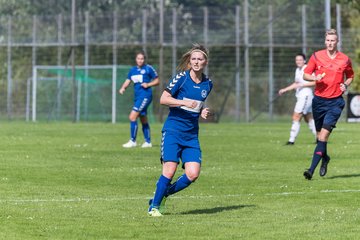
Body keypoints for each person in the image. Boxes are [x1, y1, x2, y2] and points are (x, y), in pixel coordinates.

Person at [148, 44, 213, 217]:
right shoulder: (182, 78)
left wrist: (202, 111)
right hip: (173, 131)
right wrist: (183, 102)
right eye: (194, 59)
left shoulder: (208, 83)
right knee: (169, 170)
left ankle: (163, 194)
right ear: (189, 62)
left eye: (200, 59)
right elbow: (163, 98)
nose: (196, 62)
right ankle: (154, 207)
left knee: (193, 174)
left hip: (191, 135)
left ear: (205, 62)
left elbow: (196, 106)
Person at [302, 29, 354, 180]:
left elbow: (350, 75)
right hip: (318, 102)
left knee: (323, 136)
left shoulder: (344, 59)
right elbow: (305, 74)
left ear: (337, 42)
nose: (330, 43)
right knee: (320, 138)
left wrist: (345, 84)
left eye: (333, 40)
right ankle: (325, 158)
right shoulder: (317, 56)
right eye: (328, 40)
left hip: (335, 103)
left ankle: (310, 170)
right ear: (325, 41)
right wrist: (314, 77)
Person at [119, 51, 159, 148]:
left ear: (144, 59)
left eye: (142, 58)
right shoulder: (133, 70)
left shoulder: (148, 68)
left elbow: (157, 80)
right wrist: (123, 88)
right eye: (138, 58)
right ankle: (148, 142)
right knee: (143, 118)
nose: (140, 60)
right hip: (137, 97)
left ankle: (133, 141)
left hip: (145, 96)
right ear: (136, 59)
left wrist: (148, 84)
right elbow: (128, 80)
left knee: (132, 117)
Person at [278, 53, 317, 145]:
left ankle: (291, 140)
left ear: (304, 60)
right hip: (300, 96)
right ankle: (319, 138)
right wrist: (285, 90)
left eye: (300, 59)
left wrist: (303, 85)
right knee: (308, 118)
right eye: (297, 60)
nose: (298, 61)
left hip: (306, 96)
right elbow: (296, 83)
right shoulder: (297, 70)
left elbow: (316, 82)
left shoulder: (308, 69)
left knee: (296, 116)